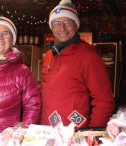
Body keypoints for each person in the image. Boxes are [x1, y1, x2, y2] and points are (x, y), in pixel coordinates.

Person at [40, 0, 115, 128]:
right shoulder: (48, 56)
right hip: (46, 130)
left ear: (76, 25)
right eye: (56, 23)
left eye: (67, 22)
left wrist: (93, 132)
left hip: (74, 133)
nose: (62, 28)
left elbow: (104, 100)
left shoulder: (89, 56)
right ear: (51, 27)